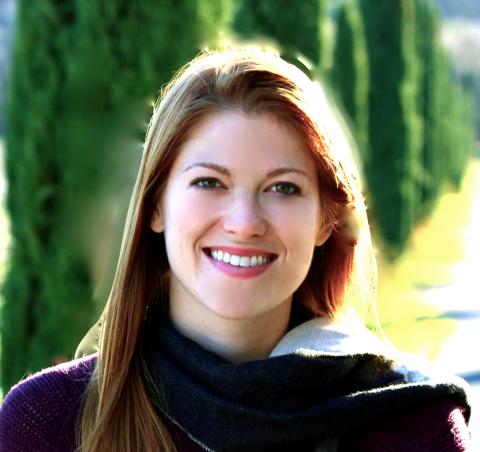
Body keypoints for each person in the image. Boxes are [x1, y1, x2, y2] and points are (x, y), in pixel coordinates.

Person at [0, 48, 471, 452]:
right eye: (209, 182)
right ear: (155, 207)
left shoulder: (413, 427)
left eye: (283, 188)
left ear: (327, 220)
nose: (244, 222)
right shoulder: (50, 425)